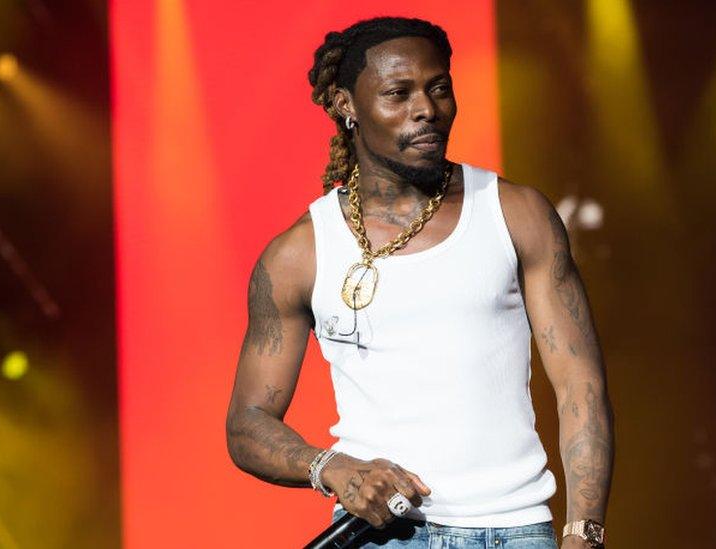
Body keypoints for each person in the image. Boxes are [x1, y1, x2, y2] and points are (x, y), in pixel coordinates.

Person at [225, 16, 613, 549]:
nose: (426, 109)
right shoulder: (299, 254)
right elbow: (248, 423)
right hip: (383, 536)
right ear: (345, 105)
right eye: (397, 93)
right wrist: (332, 468)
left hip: (516, 529)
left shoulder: (515, 214)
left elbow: (579, 387)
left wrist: (584, 532)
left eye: (438, 89)